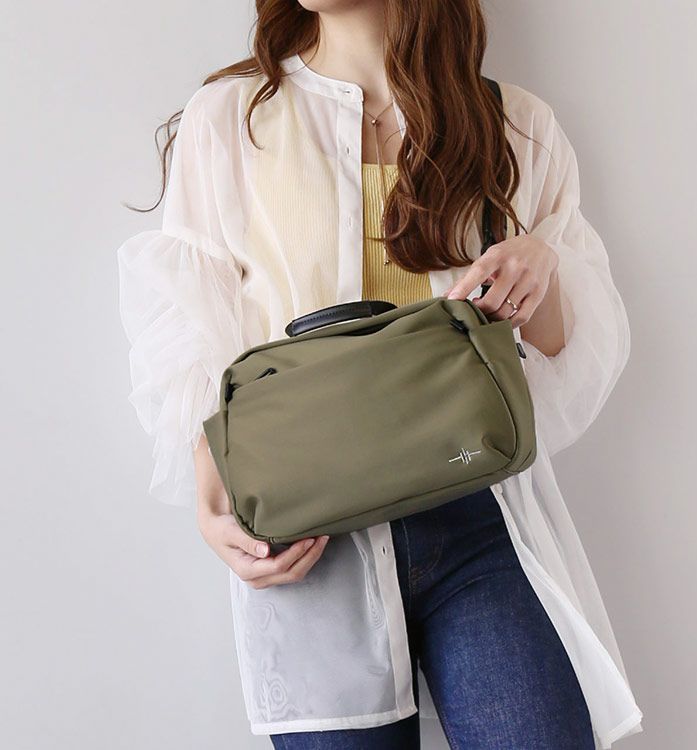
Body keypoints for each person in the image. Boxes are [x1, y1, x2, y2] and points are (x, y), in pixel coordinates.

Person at [116, 1, 644, 747]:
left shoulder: (512, 124)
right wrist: (211, 497)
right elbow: (191, 331)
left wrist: (540, 264)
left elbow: (563, 361)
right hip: (310, 540)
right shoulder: (233, 118)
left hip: (478, 520)